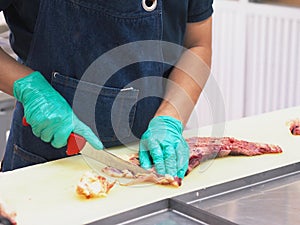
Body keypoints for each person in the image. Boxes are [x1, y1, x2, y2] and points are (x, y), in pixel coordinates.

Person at [0, 0, 213, 179]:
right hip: (44, 162)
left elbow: (198, 45)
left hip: (152, 163)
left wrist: (170, 118)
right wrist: (30, 90)